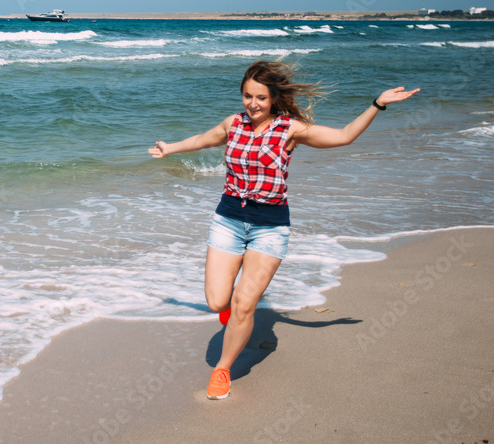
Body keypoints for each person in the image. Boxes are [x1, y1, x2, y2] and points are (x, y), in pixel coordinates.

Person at [148, 60, 419, 400]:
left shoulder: (291, 129)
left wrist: (377, 104)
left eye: (260, 97)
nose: (253, 104)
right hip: (228, 220)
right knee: (218, 301)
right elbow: (204, 139)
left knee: (245, 304)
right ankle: (232, 313)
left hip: (270, 228)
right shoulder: (234, 124)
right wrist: (170, 147)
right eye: (247, 96)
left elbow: (344, 136)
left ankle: (222, 369)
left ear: (274, 98)